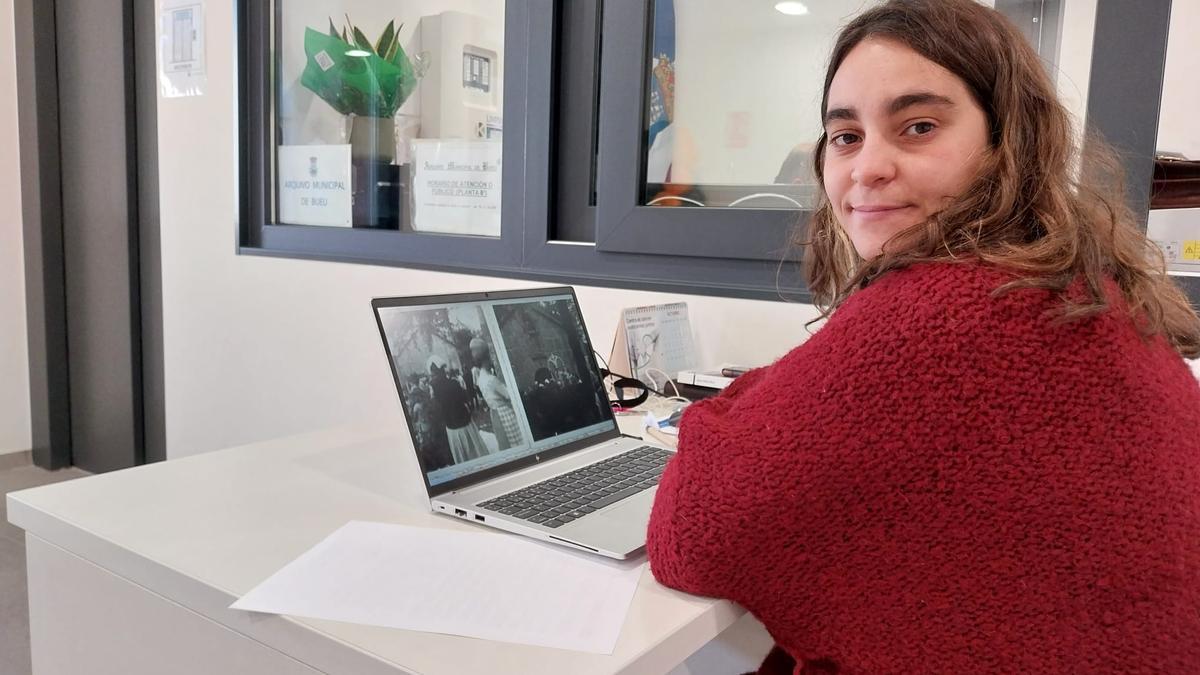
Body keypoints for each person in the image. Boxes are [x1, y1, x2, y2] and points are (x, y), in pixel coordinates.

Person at [645, 1, 1200, 673]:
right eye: (846, 136)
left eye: (918, 126)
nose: (866, 167)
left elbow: (692, 532)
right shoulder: (1081, 286)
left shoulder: (950, 314)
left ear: (1007, 141)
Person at [427, 355, 490, 464]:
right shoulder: (454, 383)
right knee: (474, 449)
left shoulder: (435, 389)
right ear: (443, 370)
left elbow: (437, 408)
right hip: (463, 421)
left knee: (462, 454)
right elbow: (464, 399)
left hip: (452, 426)